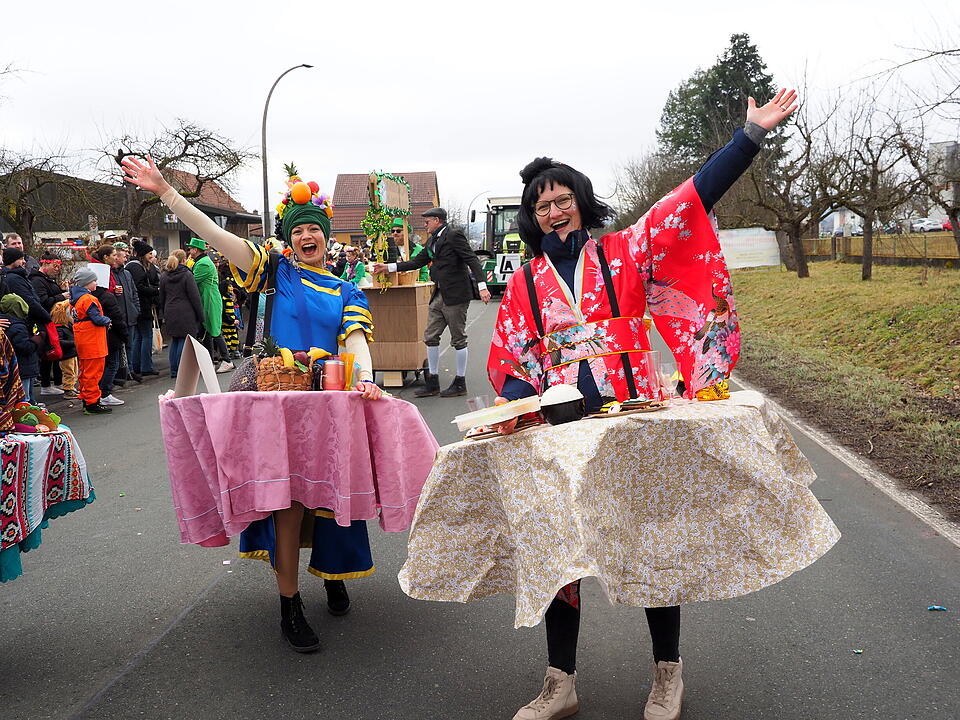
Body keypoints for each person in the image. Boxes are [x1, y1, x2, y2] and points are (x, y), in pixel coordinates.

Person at [484, 90, 798, 720]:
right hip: (561, 434)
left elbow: (688, 203)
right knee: (560, 553)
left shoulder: (621, 252)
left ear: (582, 202)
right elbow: (507, 360)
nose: (553, 210)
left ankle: (666, 674)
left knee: (652, 545)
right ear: (532, 217)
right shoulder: (521, 284)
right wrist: (525, 399)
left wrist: (748, 139)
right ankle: (560, 682)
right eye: (542, 204)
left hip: (634, 423)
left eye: (563, 198)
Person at [122, 155, 384, 653]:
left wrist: (366, 380)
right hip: (275, 406)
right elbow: (221, 239)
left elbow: (354, 342)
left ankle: (331, 572)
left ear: (328, 237)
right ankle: (289, 605)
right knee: (286, 506)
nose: (308, 237)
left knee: (330, 500)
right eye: (299, 230)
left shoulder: (348, 289)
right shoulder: (273, 271)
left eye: (315, 230)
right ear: (289, 237)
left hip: (327, 406)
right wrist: (167, 195)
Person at [373, 207, 491, 398]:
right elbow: (417, 261)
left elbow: (472, 259)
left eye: (427, 222)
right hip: (439, 294)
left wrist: (483, 285)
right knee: (430, 336)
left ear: (437, 220)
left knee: (458, 338)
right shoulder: (433, 240)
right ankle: (433, 381)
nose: (425, 225)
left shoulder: (454, 235)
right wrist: (389, 267)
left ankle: (460, 382)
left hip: (456, 294)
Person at [69, 267, 113, 415]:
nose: (96, 283)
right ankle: (92, 403)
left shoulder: (75, 300)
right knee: (93, 373)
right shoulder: (89, 299)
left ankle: (87, 399)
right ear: (87, 283)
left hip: (83, 339)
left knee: (85, 372)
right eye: (94, 280)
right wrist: (107, 320)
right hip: (93, 341)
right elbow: (96, 318)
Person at [186, 237, 233, 374]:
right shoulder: (202, 262)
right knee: (207, 332)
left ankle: (227, 360)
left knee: (214, 330)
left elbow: (192, 281)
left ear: (196, 249)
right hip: (207, 298)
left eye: (190, 249)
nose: (189, 251)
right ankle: (210, 362)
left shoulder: (203, 264)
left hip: (209, 300)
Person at [89, 246, 128, 406]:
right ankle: (104, 392)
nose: (116, 257)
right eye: (113, 254)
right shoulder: (105, 297)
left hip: (99, 333)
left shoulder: (90, 297)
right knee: (112, 363)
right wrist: (125, 335)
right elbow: (116, 318)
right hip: (109, 333)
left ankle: (98, 393)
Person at [30, 251, 70, 396]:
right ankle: (46, 384)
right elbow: (42, 301)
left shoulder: (47, 279)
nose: (57, 269)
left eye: (59, 265)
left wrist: (61, 290)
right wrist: (61, 296)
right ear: (45, 263)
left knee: (55, 352)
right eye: (55, 265)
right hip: (45, 321)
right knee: (48, 353)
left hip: (54, 321)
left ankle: (57, 382)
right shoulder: (37, 280)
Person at [159, 250, 204, 379]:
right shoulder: (187, 275)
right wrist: (200, 316)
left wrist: (164, 312)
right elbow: (194, 297)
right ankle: (181, 369)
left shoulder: (164, 276)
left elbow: (161, 297)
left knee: (175, 340)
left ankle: (174, 370)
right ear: (184, 260)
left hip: (170, 310)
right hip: (186, 312)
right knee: (184, 340)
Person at [125, 240, 161, 376]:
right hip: (142, 306)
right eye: (150, 253)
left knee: (139, 337)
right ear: (143, 254)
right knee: (146, 335)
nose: (152, 256)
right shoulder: (137, 267)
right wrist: (155, 290)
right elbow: (140, 287)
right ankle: (146, 366)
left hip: (138, 306)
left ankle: (137, 365)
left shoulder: (133, 266)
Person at [110, 240, 142, 383]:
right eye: (124, 256)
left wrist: (136, 309)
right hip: (119, 316)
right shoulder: (110, 274)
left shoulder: (127, 274)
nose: (126, 258)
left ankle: (130, 370)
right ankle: (120, 372)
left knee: (130, 344)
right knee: (119, 347)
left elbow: (134, 293)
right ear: (116, 257)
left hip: (130, 315)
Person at [0, 294, 39, 401]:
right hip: (23, 365)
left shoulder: (5, 324)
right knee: (25, 397)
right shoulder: (18, 326)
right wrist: (37, 340)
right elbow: (25, 347)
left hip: (13, 366)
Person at [2, 247, 52, 326]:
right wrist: (47, 318)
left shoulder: (16, 276)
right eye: (21, 259)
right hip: (27, 322)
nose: (24, 262)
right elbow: (29, 301)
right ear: (12, 260)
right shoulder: (14, 279)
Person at [51, 300, 79, 399]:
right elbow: (60, 342)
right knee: (69, 372)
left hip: (72, 353)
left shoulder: (67, 327)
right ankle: (68, 389)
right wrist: (73, 343)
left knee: (74, 372)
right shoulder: (60, 328)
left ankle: (71, 387)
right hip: (66, 355)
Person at [217, 259, 241, 357]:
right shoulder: (223, 299)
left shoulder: (229, 298)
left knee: (233, 337)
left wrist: (236, 319)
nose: (231, 288)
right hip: (227, 323)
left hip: (232, 323)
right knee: (227, 338)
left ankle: (234, 350)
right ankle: (229, 352)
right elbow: (224, 313)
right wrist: (232, 321)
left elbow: (232, 311)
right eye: (229, 286)